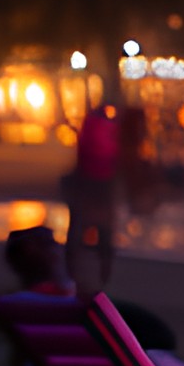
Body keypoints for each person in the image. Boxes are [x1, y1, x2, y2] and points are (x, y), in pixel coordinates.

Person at [62, 102, 126, 287]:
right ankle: (104, 273)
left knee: (78, 229)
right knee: (104, 232)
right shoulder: (109, 130)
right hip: (102, 187)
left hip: (86, 185)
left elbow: (82, 155)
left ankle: (72, 271)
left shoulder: (89, 127)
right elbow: (115, 156)